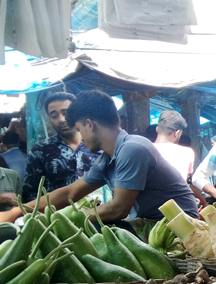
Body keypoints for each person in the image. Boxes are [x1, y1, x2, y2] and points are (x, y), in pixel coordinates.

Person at [0, 91, 198, 224]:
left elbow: (117, 209)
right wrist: (16, 211)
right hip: (149, 225)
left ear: (90, 125)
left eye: (79, 130)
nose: (82, 138)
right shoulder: (107, 157)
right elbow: (70, 193)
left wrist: (57, 221)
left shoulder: (133, 148)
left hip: (180, 230)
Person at [23, 92, 100, 202]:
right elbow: (29, 193)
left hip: (99, 214)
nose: (61, 119)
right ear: (49, 118)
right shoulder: (41, 150)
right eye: (54, 116)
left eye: (66, 113)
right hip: (57, 217)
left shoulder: (98, 145)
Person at [153, 111, 195, 182]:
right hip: (178, 193)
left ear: (157, 129)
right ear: (177, 133)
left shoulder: (145, 150)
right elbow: (187, 178)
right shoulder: (187, 152)